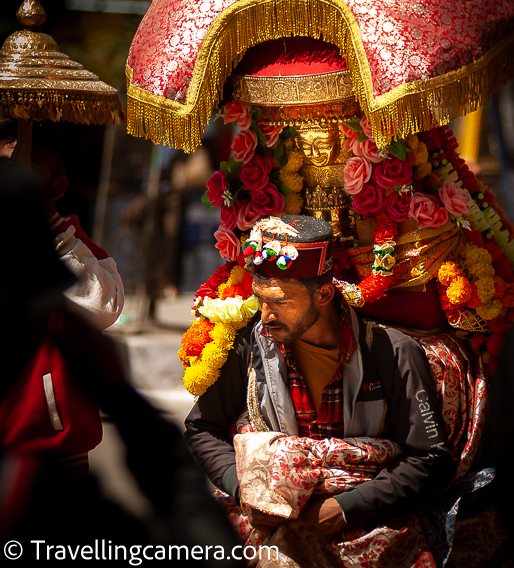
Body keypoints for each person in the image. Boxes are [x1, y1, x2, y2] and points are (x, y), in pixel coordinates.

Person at [0, 164, 244, 566]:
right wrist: (124, 403)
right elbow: (208, 550)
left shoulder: (73, 240)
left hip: (54, 443)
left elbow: (100, 303)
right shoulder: (35, 504)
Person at [184, 215, 455, 557]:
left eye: (280, 301)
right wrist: (245, 490)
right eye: (260, 299)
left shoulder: (392, 352)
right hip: (265, 513)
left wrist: (345, 509)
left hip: (362, 517)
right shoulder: (251, 345)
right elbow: (201, 428)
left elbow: (430, 458)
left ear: (324, 293)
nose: (265, 315)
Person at [0, 120, 124, 467]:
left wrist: (45, 231)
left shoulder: (77, 248)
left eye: (29, 173)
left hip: (55, 454)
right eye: (4, 168)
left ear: (57, 187)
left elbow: (104, 306)